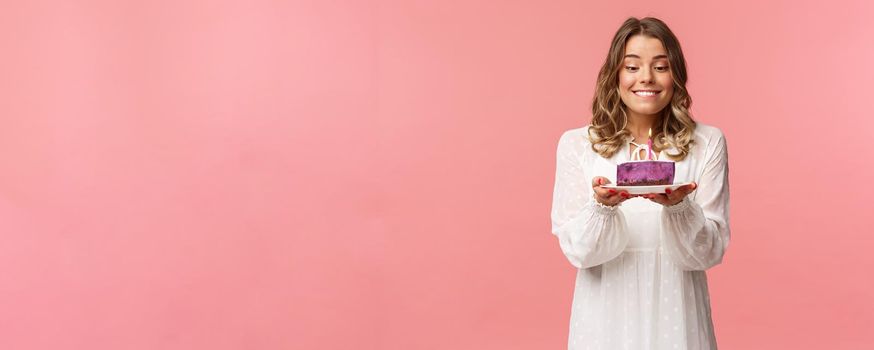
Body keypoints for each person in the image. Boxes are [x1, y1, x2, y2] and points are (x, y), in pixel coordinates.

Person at [550, 17, 730, 350]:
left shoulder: (706, 142)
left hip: (678, 315)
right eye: (632, 67)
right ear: (615, 74)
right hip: (604, 319)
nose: (646, 77)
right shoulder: (577, 145)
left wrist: (679, 207)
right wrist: (602, 207)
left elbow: (707, 253)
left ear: (676, 73)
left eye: (660, 67)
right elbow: (580, 253)